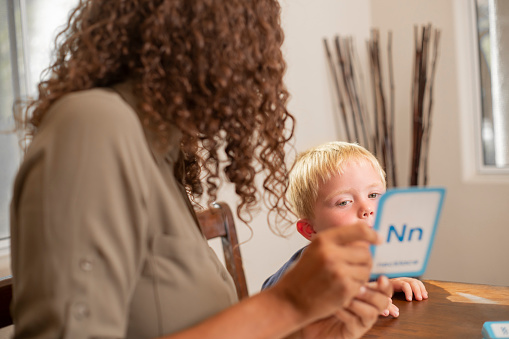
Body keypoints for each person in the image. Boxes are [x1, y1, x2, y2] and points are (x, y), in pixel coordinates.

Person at [10, 1, 392, 338]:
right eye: (247, 33)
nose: (258, 66)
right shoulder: (94, 125)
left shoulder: (162, 155)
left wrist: (306, 331)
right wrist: (287, 305)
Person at [261, 141, 429, 318]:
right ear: (310, 229)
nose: (367, 208)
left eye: (373, 195)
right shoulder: (312, 267)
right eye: (344, 202)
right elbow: (269, 302)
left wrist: (387, 284)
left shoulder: (384, 256)